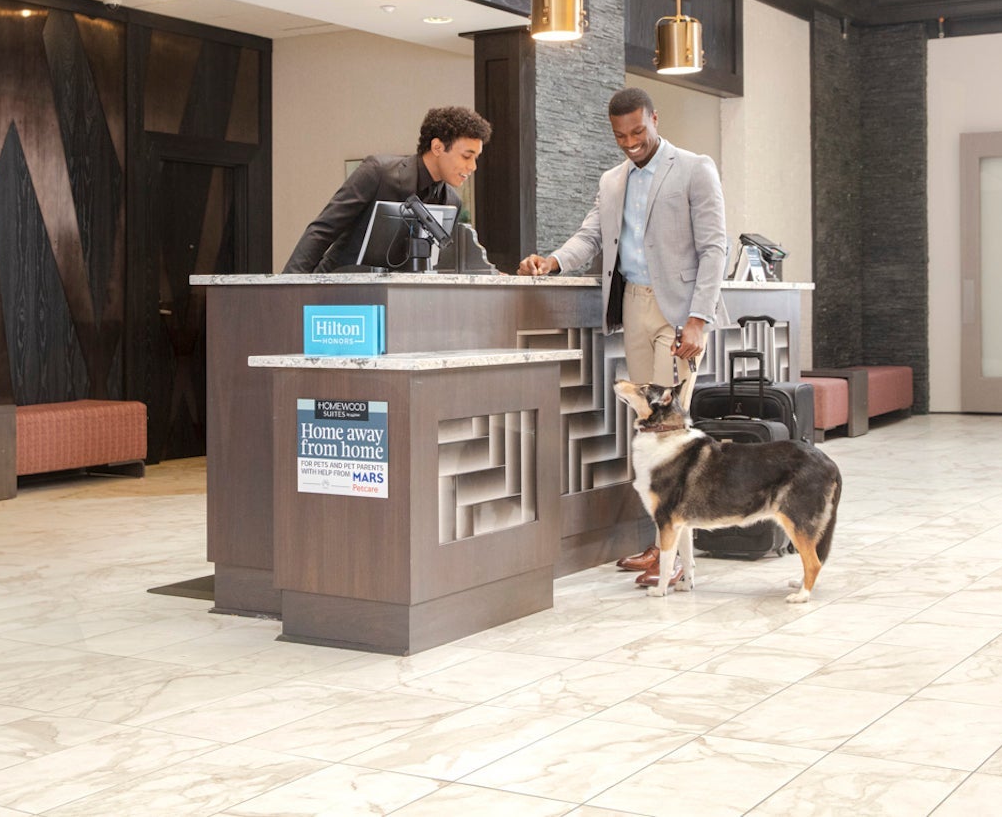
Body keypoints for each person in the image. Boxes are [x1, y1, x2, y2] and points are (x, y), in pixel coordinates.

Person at [518, 87, 727, 589]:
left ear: (655, 118)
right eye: (621, 136)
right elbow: (591, 235)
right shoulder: (612, 181)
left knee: (669, 436)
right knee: (650, 436)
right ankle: (662, 546)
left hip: (679, 313)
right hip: (632, 304)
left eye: (638, 131)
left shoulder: (695, 168)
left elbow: (715, 245)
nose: (631, 142)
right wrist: (553, 261)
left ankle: (674, 560)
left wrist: (699, 318)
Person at [283, 106, 492, 273]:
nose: (473, 167)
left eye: (476, 158)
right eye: (467, 156)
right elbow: (322, 231)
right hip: (340, 291)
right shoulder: (378, 171)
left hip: (400, 303)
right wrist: (287, 288)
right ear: (437, 147)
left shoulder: (452, 201)